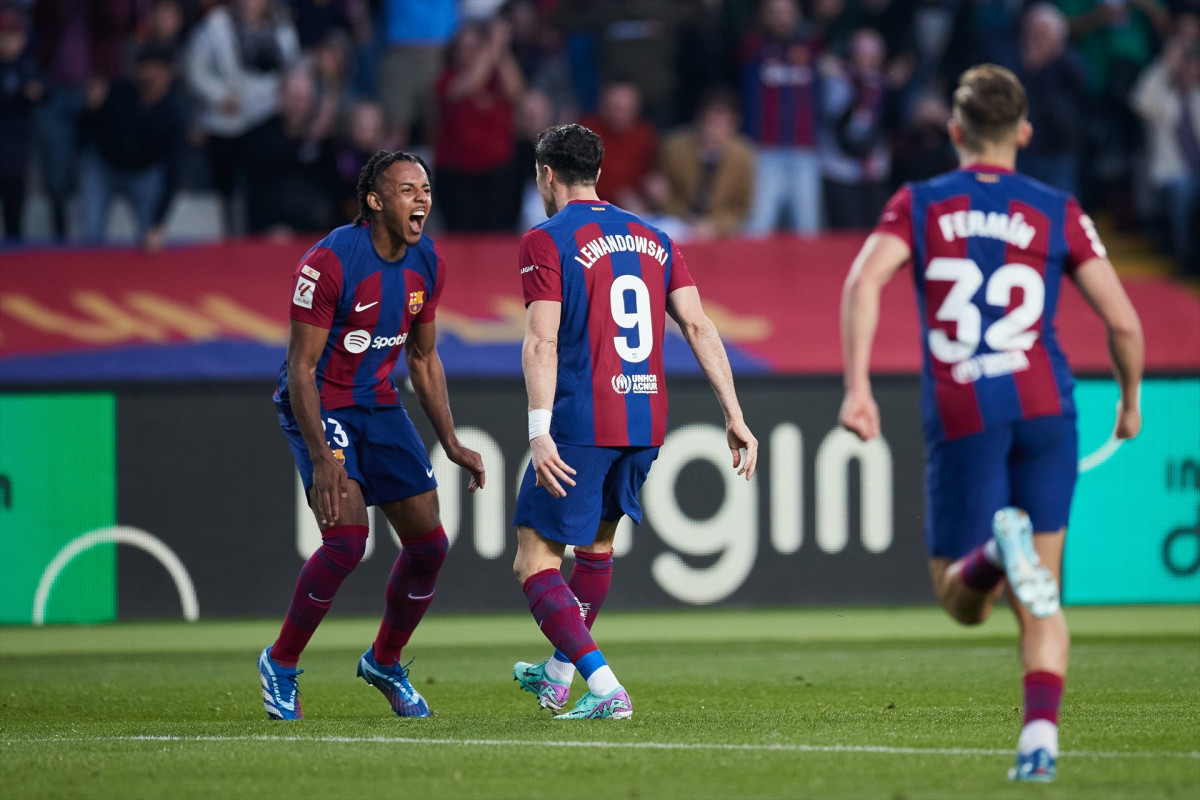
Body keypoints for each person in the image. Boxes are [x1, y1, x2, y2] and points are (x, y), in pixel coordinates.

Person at [839, 65, 1144, 781]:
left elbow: (862, 281)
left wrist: (858, 387)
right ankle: (1039, 743)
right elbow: (1124, 322)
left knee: (961, 601)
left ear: (955, 133)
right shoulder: (1056, 209)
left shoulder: (920, 201)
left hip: (964, 406)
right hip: (1046, 404)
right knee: (1043, 597)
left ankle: (992, 557)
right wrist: (1129, 402)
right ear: (1025, 133)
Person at [510, 123, 758, 719]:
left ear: (547, 174)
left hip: (581, 418)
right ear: (597, 172)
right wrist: (735, 413)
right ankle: (556, 676)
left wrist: (538, 429)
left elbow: (542, 341)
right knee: (595, 547)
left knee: (534, 559)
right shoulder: (654, 236)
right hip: (645, 419)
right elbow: (699, 325)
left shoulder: (545, 239)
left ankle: (605, 689)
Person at [258, 150, 486, 721]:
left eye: (426, 189)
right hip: (320, 398)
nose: (422, 200)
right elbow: (302, 368)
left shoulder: (427, 261)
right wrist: (322, 458)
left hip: (378, 402)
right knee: (346, 541)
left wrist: (452, 442)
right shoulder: (329, 261)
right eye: (408, 190)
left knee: (430, 545)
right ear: (375, 201)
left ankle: (385, 660)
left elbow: (424, 356)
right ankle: (280, 664)